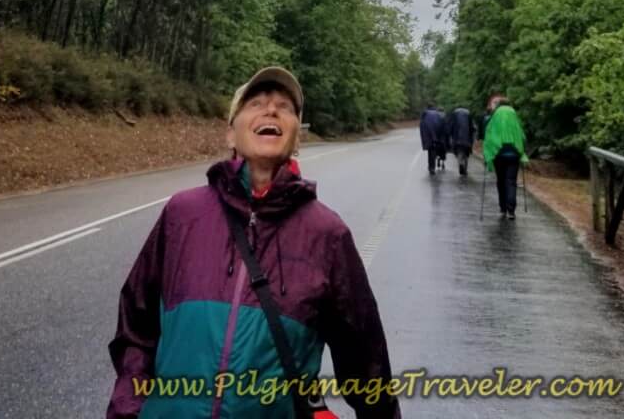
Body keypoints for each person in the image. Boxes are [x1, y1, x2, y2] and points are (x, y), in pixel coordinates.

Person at [107, 66, 400, 419]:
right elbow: (136, 327)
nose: (271, 110)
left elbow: (365, 359)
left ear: (296, 138)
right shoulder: (182, 214)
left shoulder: (327, 234)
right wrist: (129, 408)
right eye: (256, 103)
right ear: (231, 134)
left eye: (285, 106)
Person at [482, 94, 528, 220]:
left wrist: (487, 152)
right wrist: (523, 147)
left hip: (499, 154)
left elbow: (489, 135)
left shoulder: (495, 115)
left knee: (501, 181)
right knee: (511, 181)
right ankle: (511, 211)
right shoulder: (513, 113)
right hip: (514, 154)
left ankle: (502, 208)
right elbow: (521, 134)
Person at [445, 106, 474, 176]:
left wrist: (449, 135)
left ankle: (461, 163)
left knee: (459, 152)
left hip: (457, 138)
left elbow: (450, 127)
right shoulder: (468, 114)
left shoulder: (454, 114)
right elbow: (471, 127)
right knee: (466, 154)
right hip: (467, 139)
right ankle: (464, 169)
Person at [418, 102, 446, 175]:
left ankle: (431, 168)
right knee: (435, 149)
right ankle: (436, 164)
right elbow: (442, 124)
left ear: (427, 107)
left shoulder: (425, 113)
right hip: (437, 135)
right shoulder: (437, 114)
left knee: (430, 152)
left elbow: (421, 124)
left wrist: (423, 136)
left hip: (428, 135)